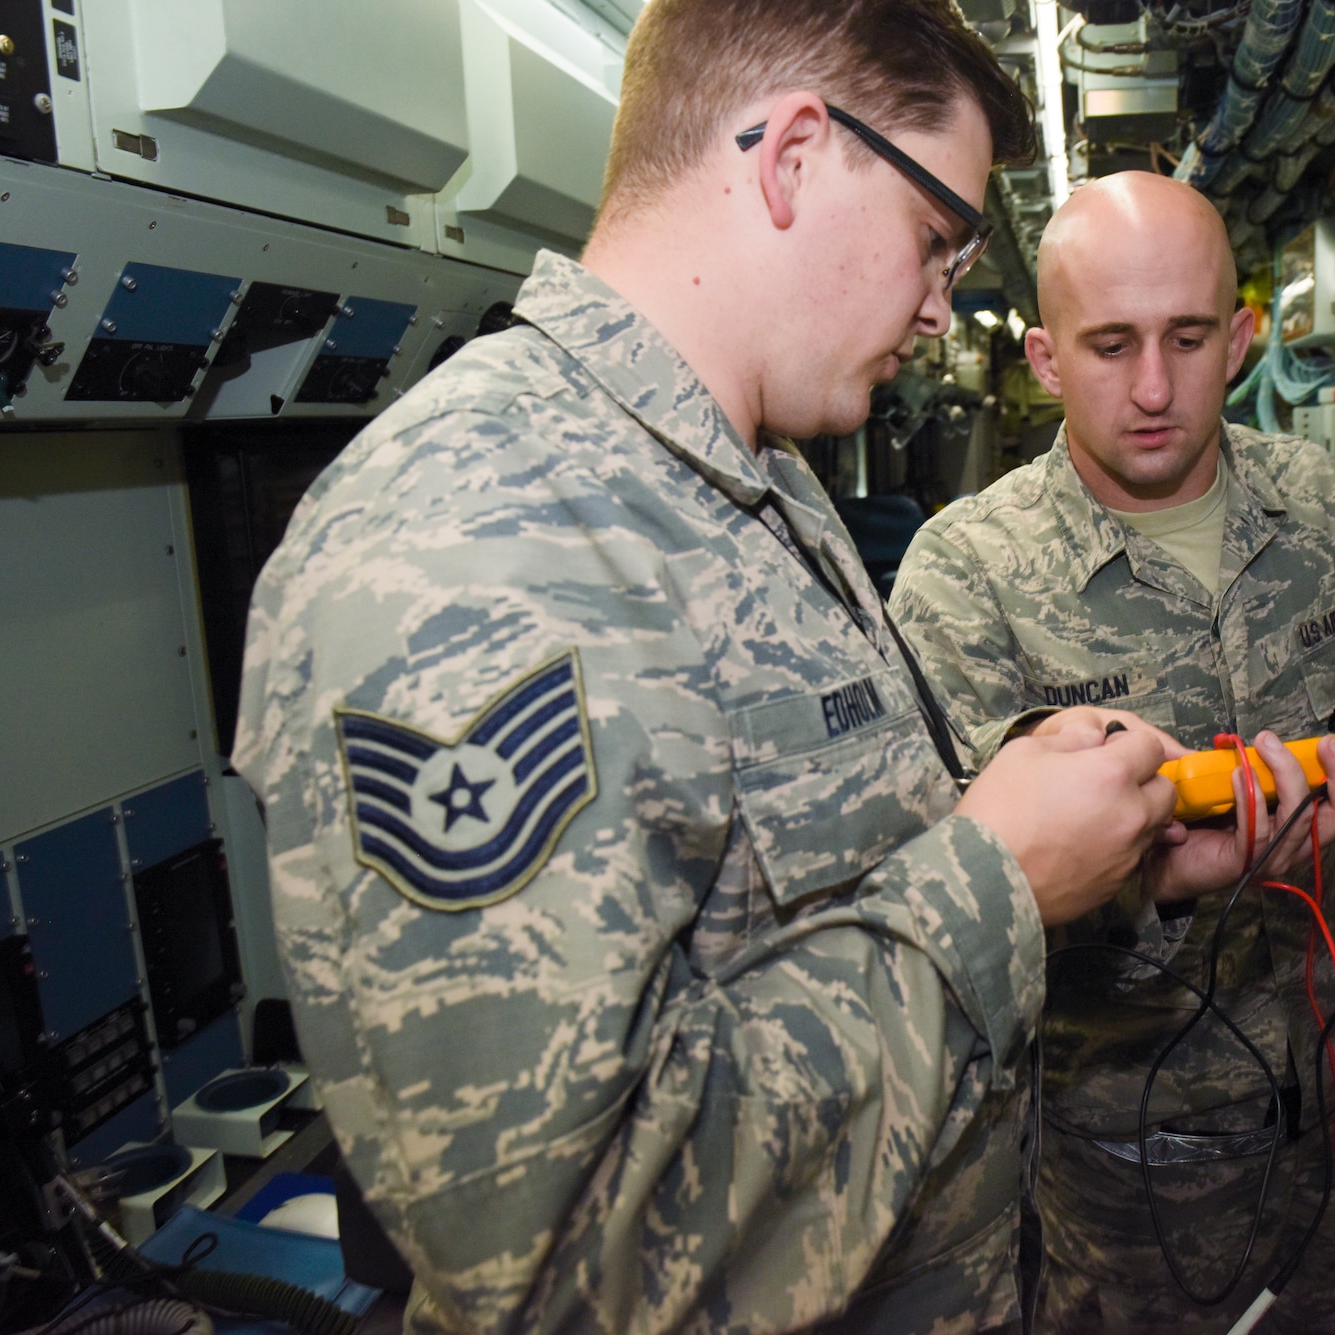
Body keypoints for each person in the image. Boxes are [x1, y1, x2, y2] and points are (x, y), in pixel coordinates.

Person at [231, 6, 1187, 1332]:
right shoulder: (477, 533)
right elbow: (564, 1259)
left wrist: (1088, 862)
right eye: (935, 241)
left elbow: (813, 890)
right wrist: (1001, 878)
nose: (936, 302)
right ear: (794, 155)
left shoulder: (753, 481)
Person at [889, 171, 1335, 1334]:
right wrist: (1158, 880)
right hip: (1128, 1169)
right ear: (1040, 358)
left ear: (1238, 341)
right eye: (1108, 344)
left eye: (1186, 340)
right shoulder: (964, 575)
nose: (1149, 388)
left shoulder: (1324, 506)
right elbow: (956, 905)